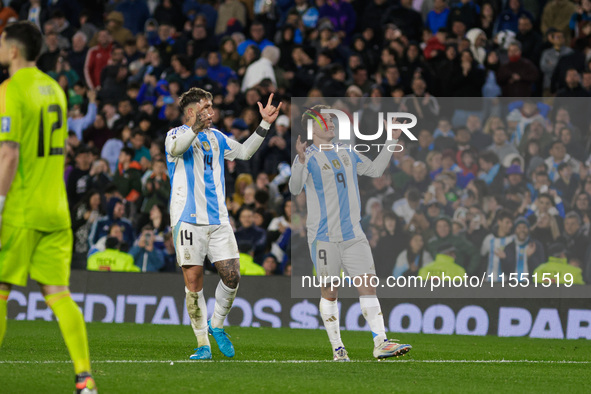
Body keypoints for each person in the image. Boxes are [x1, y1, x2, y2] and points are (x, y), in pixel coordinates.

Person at [0, 22, 96, 393]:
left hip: (20, 209)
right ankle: (84, 377)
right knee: (58, 294)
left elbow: (8, 153)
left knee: (1, 290)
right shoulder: (55, 89)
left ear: (13, 51)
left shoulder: (10, 90)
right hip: (56, 209)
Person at [165, 88, 281, 360]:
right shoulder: (175, 134)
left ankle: (216, 325)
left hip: (218, 220)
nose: (212, 112)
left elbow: (245, 153)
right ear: (192, 112)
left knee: (232, 275)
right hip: (188, 220)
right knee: (194, 283)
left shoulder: (216, 138)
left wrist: (264, 124)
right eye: (206, 107)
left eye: (212, 106)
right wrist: (194, 127)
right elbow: (176, 149)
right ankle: (202, 344)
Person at [289, 105, 412, 361]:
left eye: (332, 120)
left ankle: (381, 342)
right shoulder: (307, 156)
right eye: (325, 121)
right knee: (330, 292)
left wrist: (392, 140)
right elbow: (295, 187)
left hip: (354, 235)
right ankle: (338, 348)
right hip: (323, 237)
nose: (331, 124)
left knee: (368, 286)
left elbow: (375, 171)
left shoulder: (347, 151)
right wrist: (299, 162)